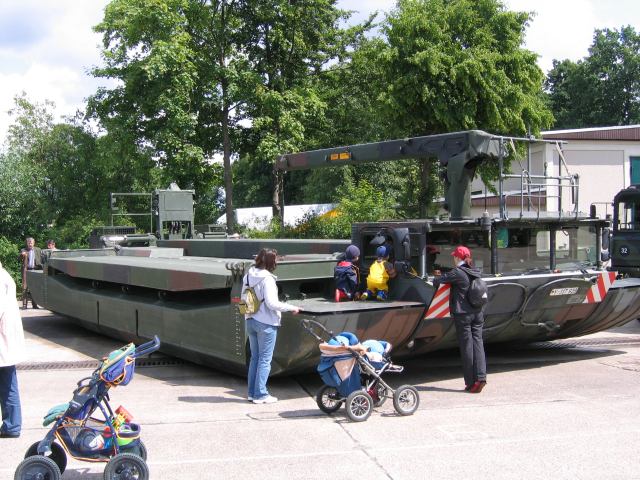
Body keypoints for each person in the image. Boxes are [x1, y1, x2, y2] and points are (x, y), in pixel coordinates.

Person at [242, 248, 300, 404]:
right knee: (265, 360)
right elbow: (272, 303)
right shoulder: (267, 279)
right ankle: (261, 394)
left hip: (250, 320)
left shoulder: (248, 275)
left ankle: (251, 392)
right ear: (270, 262)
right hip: (266, 323)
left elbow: (243, 298)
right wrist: (291, 307)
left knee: (255, 358)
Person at [433, 245, 487, 393]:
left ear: (458, 257)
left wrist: (437, 275)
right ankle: (481, 377)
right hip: (478, 312)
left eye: (454, 257)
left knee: (467, 347)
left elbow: (438, 281)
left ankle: (470, 383)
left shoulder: (458, 272)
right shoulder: (475, 271)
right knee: (478, 344)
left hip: (463, 314)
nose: (453, 259)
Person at [0, 260, 26, 438]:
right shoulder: (5, 276)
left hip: (3, 340)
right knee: (8, 383)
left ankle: (11, 425)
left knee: (8, 384)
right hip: (6, 341)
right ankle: (12, 425)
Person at [18, 237, 42, 309]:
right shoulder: (23, 250)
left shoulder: (38, 249)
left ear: (34, 243)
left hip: (35, 270)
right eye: (29, 243)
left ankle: (34, 305)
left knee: (34, 288)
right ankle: (24, 305)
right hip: (26, 270)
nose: (30, 244)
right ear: (27, 243)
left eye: (31, 242)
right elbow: (18, 259)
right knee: (25, 287)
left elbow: (42, 258)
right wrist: (22, 255)